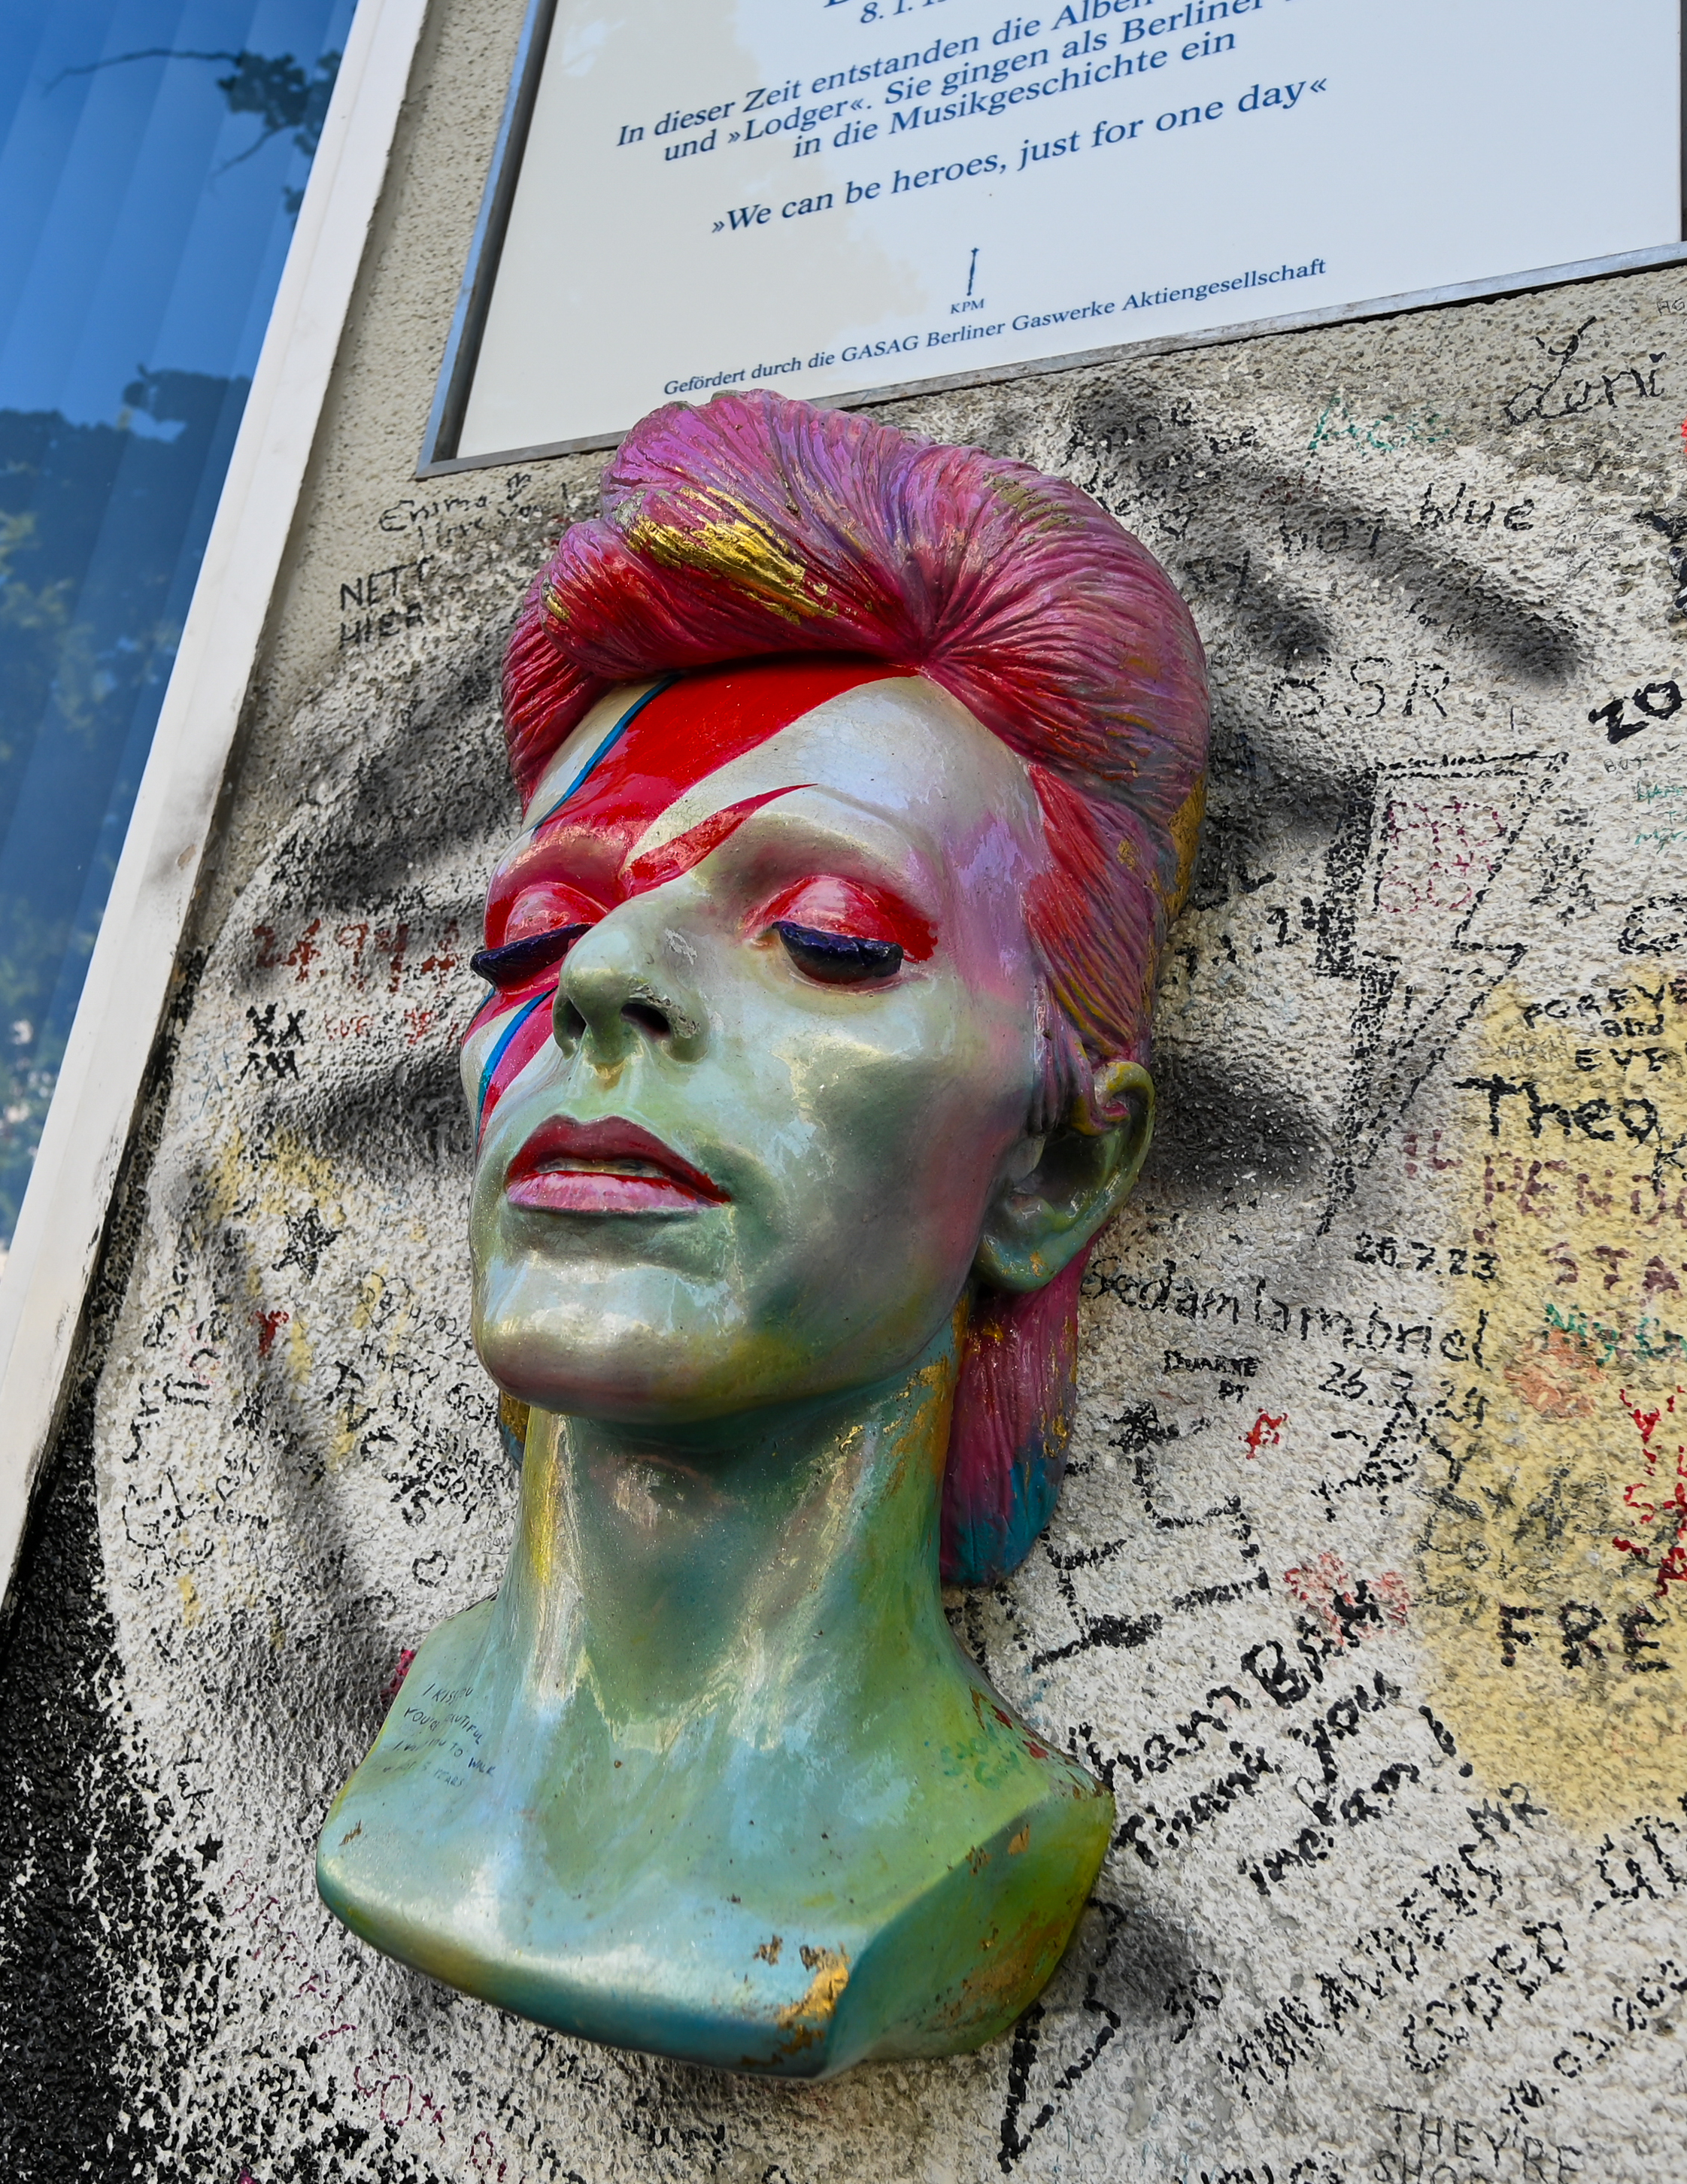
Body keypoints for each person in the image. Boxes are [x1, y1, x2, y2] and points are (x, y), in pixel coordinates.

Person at [313, 389, 1209, 2075]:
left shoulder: (962, 1863)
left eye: (826, 932)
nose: (595, 978)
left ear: (1051, 1171)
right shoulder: (401, 1753)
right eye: (532, 938)